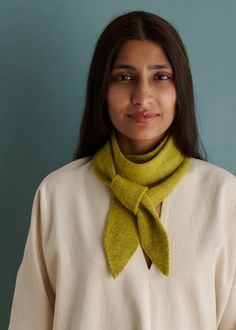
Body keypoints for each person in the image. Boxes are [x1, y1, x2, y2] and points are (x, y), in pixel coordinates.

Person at [9, 11, 236, 330]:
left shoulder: (223, 196)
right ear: (102, 90)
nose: (142, 97)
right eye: (124, 77)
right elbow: (28, 320)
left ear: (179, 89)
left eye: (160, 77)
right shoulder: (57, 195)